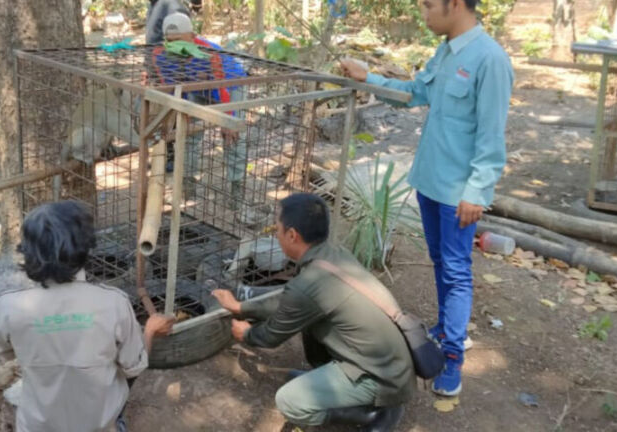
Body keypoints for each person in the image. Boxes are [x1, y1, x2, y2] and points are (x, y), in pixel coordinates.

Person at [341, 0, 514, 396]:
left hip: (458, 194)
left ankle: (452, 357)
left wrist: (477, 191)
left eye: (427, 5)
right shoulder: (446, 51)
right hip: (431, 182)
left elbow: (492, 137)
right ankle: (445, 328)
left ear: (454, 4)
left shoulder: (490, 60)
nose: (423, 12)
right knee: (439, 260)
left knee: (456, 271)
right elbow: (414, 94)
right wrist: (367, 77)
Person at [212, 193, 415, 432]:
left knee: (289, 401)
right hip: (392, 365)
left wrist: (246, 334)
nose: (275, 235)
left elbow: (271, 336)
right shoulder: (330, 254)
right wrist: (241, 307)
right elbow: (290, 299)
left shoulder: (308, 283)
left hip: (382, 379)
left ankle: (368, 414)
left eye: (277, 229)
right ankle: (337, 385)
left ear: (292, 235)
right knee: (311, 324)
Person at [0, 201, 175, 432]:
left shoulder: (8, 307)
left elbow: (7, 353)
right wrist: (149, 330)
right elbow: (133, 366)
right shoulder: (113, 302)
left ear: (28, 250)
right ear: (85, 247)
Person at [149, 12, 248, 208]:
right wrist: (182, 115)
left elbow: (222, 88)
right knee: (188, 137)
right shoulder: (160, 56)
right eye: (170, 41)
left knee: (233, 138)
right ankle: (188, 190)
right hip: (197, 89)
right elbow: (173, 89)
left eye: (179, 41)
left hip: (230, 85)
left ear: (192, 36)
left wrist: (229, 120)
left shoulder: (208, 54)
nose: (175, 46)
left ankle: (237, 195)